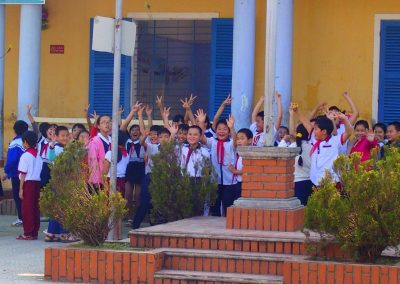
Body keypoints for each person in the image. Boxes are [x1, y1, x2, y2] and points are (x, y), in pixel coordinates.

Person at [198, 109, 237, 216]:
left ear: (228, 132)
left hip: (229, 181)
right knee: (214, 207)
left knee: (228, 206)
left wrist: (232, 127)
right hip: (215, 181)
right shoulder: (213, 142)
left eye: (225, 129)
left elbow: (236, 140)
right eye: (219, 129)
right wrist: (201, 123)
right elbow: (201, 137)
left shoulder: (231, 144)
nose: (221, 131)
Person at [44, 126, 76, 242]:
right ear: (56, 137)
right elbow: (51, 157)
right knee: (64, 208)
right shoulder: (57, 148)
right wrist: (52, 146)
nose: (66, 138)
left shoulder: (65, 148)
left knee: (56, 209)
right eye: (63, 136)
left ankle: (51, 233)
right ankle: (64, 233)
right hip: (61, 182)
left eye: (67, 135)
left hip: (61, 182)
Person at [307, 114, 353, 187]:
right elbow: (306, 123)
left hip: (332, 182)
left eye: (316, 129)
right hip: (317, 182)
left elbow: (349, 132)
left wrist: (344, 119)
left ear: (324, 131)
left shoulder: (335, 140)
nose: (314, 132)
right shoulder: (315, 141)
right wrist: (296, 112)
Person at [16, 131, 43, 240]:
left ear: (26, 142)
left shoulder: (25, 156)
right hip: (37, 183)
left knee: (26, 209)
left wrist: (20, 189)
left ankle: (27, 232)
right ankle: (34, 232)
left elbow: (23, 174)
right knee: (35, 208)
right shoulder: (38, 156)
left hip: (28, 183)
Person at [180, 125, 211, 216]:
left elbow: (206, 170)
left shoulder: (204, 152)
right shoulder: (182, 149)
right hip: (183, 180)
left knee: (196, 208)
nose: (192, 137)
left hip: (198, 181)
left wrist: (204, 187)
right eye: (189, 134)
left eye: (195, 135)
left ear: (200, 137)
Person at [3, 120, 28, 226]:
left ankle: (21, 218)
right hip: (28, 174)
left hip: (16, 174)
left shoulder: (15, 143)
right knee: (26, 196)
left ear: (14, 130)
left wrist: (7, 171)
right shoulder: (29, 142)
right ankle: (27, 217)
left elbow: (12, 160)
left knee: (18, 196)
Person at [87, 115, 112, 190]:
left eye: (108, 122)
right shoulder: (95, 141)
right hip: (100, 180)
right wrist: (96, 181)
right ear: (98, 126)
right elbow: (93, 162)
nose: (106, 124)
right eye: (103, 122)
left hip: (112, 177)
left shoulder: (113, 140)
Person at [228, 128, 253, 201]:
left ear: (249, 140)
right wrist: (231, 127)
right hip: (237, 182)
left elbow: (247, 170)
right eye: (237, 139)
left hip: (245, 182)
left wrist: (234, 171)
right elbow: (233, 138)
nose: (239, 141)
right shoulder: (238, 150)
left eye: (242, 139)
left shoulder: (250, 153)